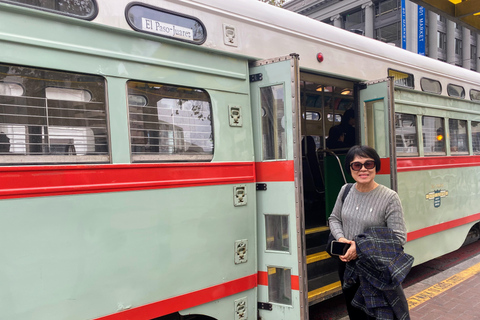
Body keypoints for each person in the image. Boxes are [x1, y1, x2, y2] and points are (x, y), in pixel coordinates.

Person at [328, 145, 411, 320]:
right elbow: (334, 218)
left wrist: (359, 248)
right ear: (350, 168)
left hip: (375, 269)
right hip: (347, 267)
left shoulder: (389, 197)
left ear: (376, 166)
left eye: (369, 164)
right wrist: (342, 240)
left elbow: (398, 237)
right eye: (356, 165)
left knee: (378, 315)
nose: (363, 169)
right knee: (355, 314)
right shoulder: (346, 190)